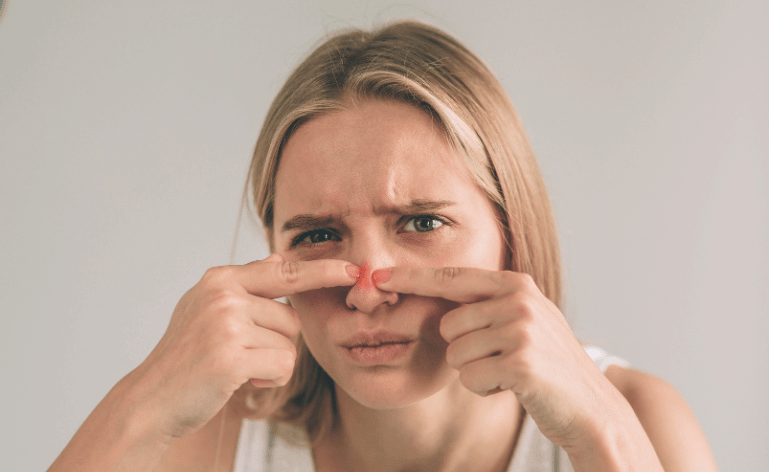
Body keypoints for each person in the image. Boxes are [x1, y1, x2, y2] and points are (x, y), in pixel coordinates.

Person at [48, 20, 718, 472]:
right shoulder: (213, 437)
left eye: (421, 223)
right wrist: (139, 405)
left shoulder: (640, 421)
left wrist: (602, 438)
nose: (365, 291)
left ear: (511, 238)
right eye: (316, 235)